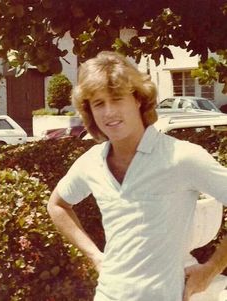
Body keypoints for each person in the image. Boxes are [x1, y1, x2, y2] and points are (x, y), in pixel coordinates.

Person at [47, 51, 227, 301]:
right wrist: (96, 257)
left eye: (117, 98)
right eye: (99, 103)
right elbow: (57, 204)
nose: (109, 112)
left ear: (138, 100)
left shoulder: (182, 157)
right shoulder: (91, 162)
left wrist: (211, 269)